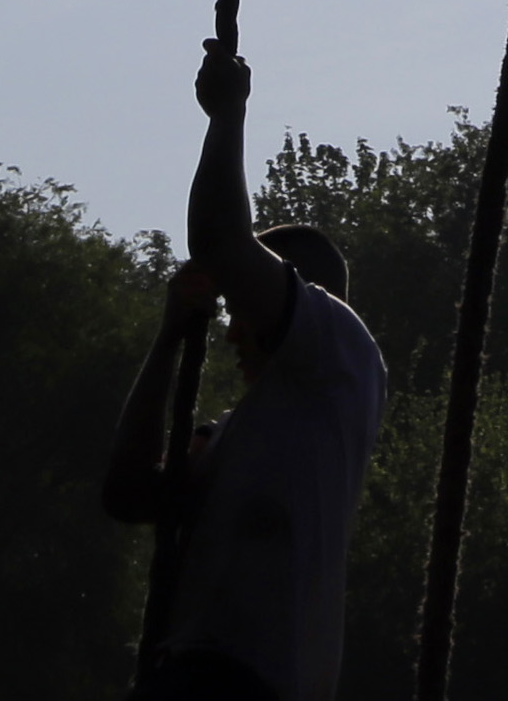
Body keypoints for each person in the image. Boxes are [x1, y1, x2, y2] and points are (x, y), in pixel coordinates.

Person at [103, 43, 390, 701]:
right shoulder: (236, 432)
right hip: (192, 673)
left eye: (241, 303)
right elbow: (127, 495)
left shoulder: (341, 353)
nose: (231, 326)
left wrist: (226, 114)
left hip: (251, 683)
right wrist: (168, 338)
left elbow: (221, 243)